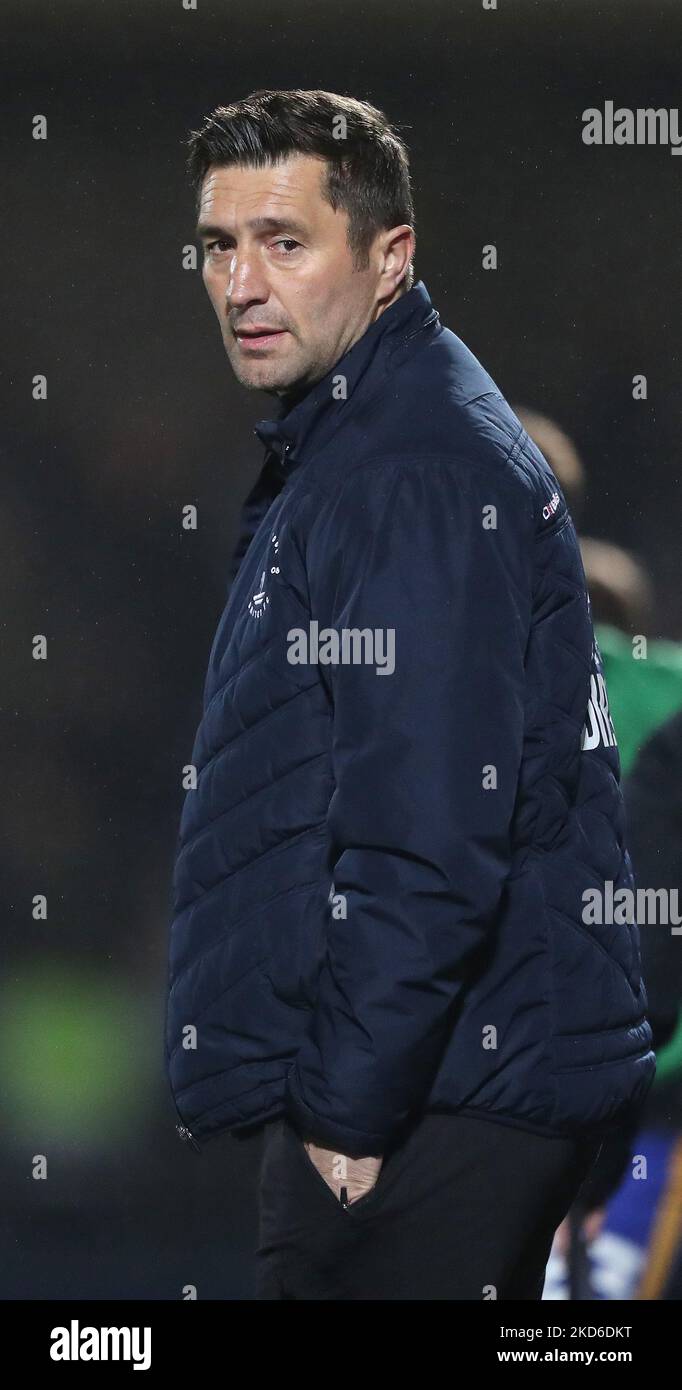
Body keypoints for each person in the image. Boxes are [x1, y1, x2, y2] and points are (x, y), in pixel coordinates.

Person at [164, 88, 655, 1300]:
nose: (241, 283)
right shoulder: (358, 441)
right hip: (438, 1089)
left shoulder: (415, 470)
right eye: (219, 246)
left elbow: (433, 834)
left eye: (284, 242)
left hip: (433, 1104)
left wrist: (345, 1109)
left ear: (389, 258)